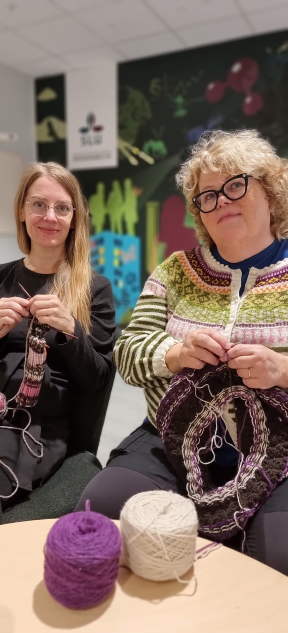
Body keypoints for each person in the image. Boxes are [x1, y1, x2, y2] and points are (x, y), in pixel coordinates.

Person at [76, 129, 288, 575]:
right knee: (101, 514)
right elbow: (127, 352)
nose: (221, 201)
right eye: (206, 196)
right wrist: (172, 354)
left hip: (280, 451)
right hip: (171, 438)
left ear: (271, 191)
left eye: (235, 184)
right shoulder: (177, 271)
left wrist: (282, 369)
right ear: (199, 214)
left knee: (276, 558)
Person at [0, 162, 115, 518]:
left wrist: (71, 331)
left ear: (74, 218)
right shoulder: (2, 278)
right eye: (39, 204)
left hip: (37, 431)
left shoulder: (94, 289)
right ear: (22, 210)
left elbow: (97, 379)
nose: (50, 216)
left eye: (62, 208)